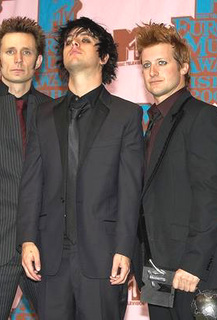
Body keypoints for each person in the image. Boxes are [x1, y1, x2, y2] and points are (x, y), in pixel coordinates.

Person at [17, 17, 144, 319]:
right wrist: (27, 239)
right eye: (69, 40)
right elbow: (31, 182)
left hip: (103, 256)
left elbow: (130, 189)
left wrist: (124, 248)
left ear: (103, 57)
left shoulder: (126, 115)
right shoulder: (43, 114)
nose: (74, 43)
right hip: (49, 256)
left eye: (85, 39)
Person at [135, 22, 217, 320]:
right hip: (157, 273)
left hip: (194, 272)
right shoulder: (151, 123)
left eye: (162, 62)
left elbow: (212, 194)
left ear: (184, 67)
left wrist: (192, 264)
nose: (153, 71)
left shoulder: (203, 116)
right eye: (147, 64)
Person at [0, 16, 51, 319]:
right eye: (9, 51)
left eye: (26, 52)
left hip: (44, 250)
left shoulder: (56, 113)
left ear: (38, 60)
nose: (18, 59)